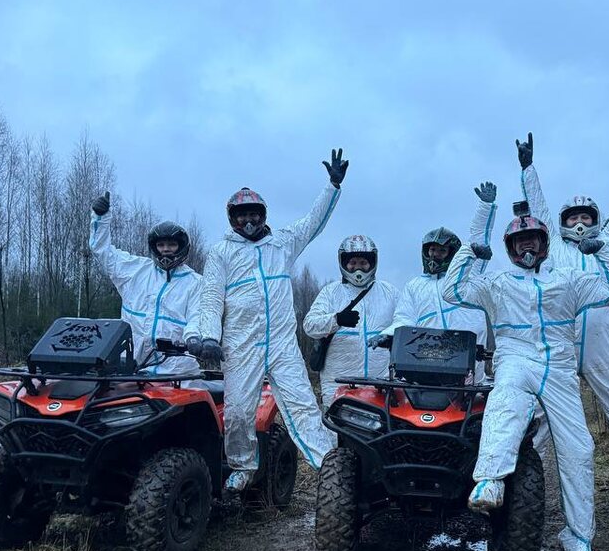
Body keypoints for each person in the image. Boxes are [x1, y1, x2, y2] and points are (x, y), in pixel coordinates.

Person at [444, 183, 609, 551]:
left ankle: (578, 537)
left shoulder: (568, 279)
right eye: (519, 242)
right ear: (511, 248)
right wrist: (468, 252)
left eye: (532, 240)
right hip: (515, 358)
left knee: (579, 448)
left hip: (558, 366)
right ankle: (490, 480)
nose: (526, 247)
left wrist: (604, 251)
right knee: (504, 406)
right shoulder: (498, 284)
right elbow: (452, 291)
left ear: (544, 244)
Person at [186, 149, 349, 492]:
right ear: (232, 218)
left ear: (263, 215)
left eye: (254, 214)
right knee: (238, 413)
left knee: (304, 406)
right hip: (240, 345)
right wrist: (209, 336)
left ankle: (329, 470)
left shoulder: (282, 244)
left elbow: (313, 222)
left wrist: (332, 187)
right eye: (242, 215)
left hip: (282, 345)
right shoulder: (221, 252)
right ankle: (243, 465)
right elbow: (211, 297)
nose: (248, 221)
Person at [517, 132, 609, 490]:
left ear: (595, 219)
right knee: (542, 413)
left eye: (585, 216)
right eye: (573, 218)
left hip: (603, 344)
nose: (579, 222)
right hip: (562, 344)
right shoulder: (554, 247)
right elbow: (537, 208)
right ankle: (522, 479)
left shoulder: (608, 242)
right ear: (563, 222)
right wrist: (527, 169)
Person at [89, 191, 201, 376]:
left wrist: (194, 338)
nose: (166, 250)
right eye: (161, 245)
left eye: (171, 245)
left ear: (181, 247)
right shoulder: (135, 270)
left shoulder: (195, 283)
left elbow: (197, 316)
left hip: (178, 371)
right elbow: (103, 252)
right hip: (133, 367)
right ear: (154, 247)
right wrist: (101, 218)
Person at [370, 222, 494, 383]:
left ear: (452, 253)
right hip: (427, 362)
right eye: (432, 250)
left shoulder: (468, 278)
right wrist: (388, 334)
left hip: (469, 362)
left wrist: (487, 206)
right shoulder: (414, 285)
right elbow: (404, 319)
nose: (435, 255)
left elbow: (480, 233)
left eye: (442, 251)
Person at [303, 235, 397, 406]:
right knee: (334, 423)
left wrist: (390, 337)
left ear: (373, 262)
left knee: (384, 423)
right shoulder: (330, 292)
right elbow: (309, 326)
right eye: (352, 262)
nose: (357, 267)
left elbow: (404, 323)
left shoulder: (390, 293)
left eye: (363, 262)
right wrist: (336, 319)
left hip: (380, 383)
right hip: (338, 382)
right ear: (343, 263)